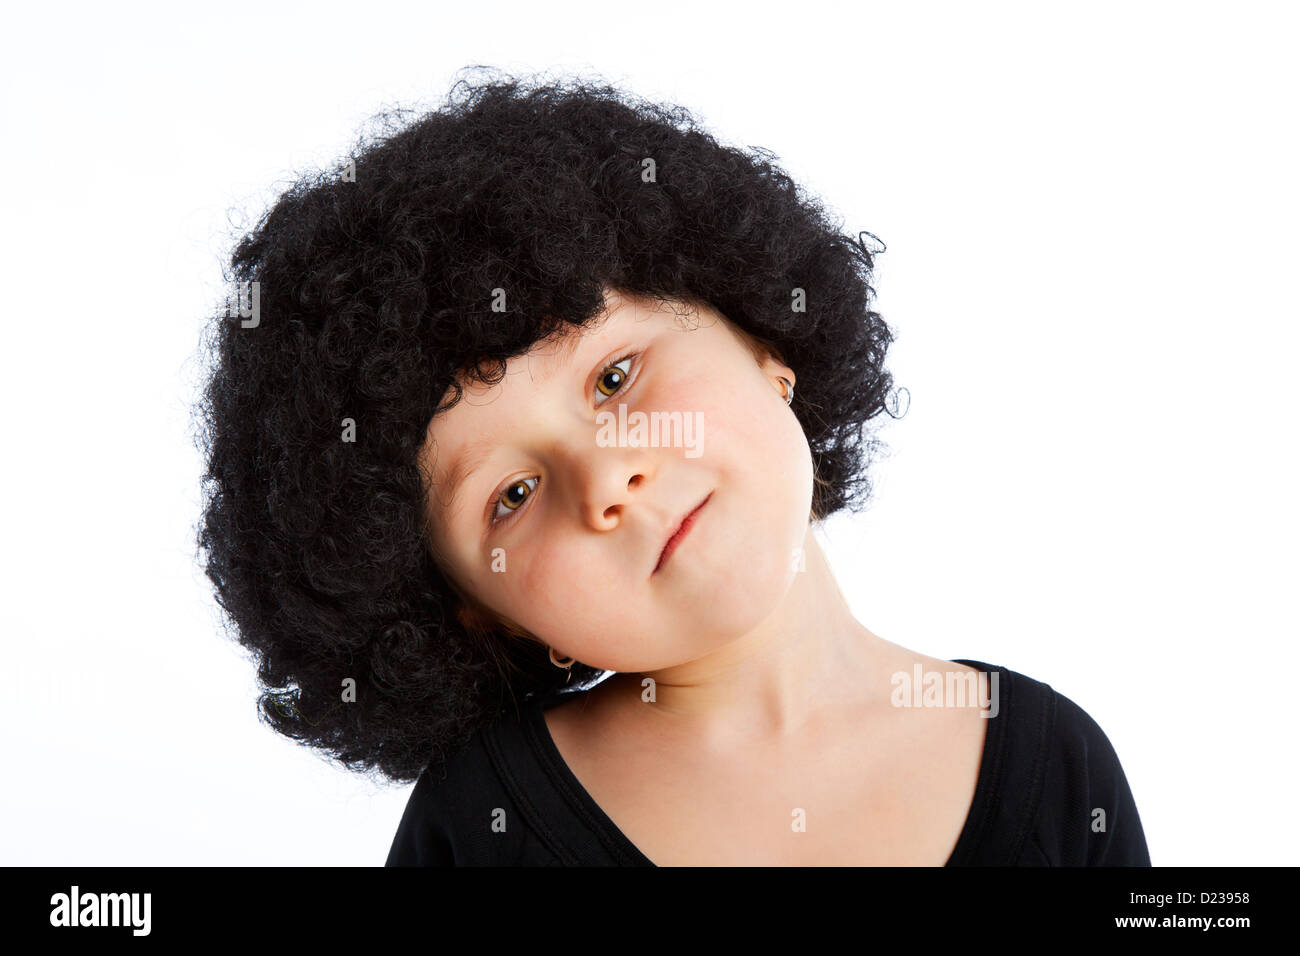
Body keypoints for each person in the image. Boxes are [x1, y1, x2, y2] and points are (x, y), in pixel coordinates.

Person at [194, 69, 1150, 866]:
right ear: (479, 613)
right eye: (513, 496)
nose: (608, 483)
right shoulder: (483, 826)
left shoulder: (1049, 765)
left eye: (614, 375)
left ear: (764, 337)